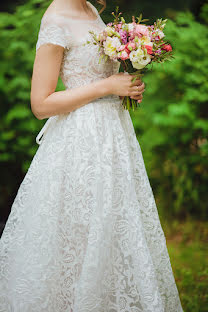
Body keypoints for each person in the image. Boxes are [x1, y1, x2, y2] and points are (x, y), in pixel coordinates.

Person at [0, 0, 184, 311]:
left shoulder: (90, 9)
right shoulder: (55, 18)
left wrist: (125, 84)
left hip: (113, 139)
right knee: (78, 236)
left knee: (111, 230)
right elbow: (40, 104)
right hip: (78, 146)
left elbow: (98, 74)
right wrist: (108, 86)